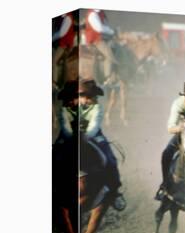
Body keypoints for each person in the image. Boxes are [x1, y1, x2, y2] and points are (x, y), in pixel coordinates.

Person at [78, 79, 126, 211]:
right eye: (84, 96)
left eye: (90, 97)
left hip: (94, 137)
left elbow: (94, 126)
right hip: (74, 136)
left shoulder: (98, 108)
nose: (87, 100)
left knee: (110, 159)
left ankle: (115, 191)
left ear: (95, 97)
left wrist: (84, 136)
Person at [84, 9, 117, 85]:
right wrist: (112, 31)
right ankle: (107, 78)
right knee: (110, 56)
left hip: (101, 39)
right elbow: (99, 28)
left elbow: (105, 25)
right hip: (95, 40)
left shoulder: (101, 13)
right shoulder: (92, 14)